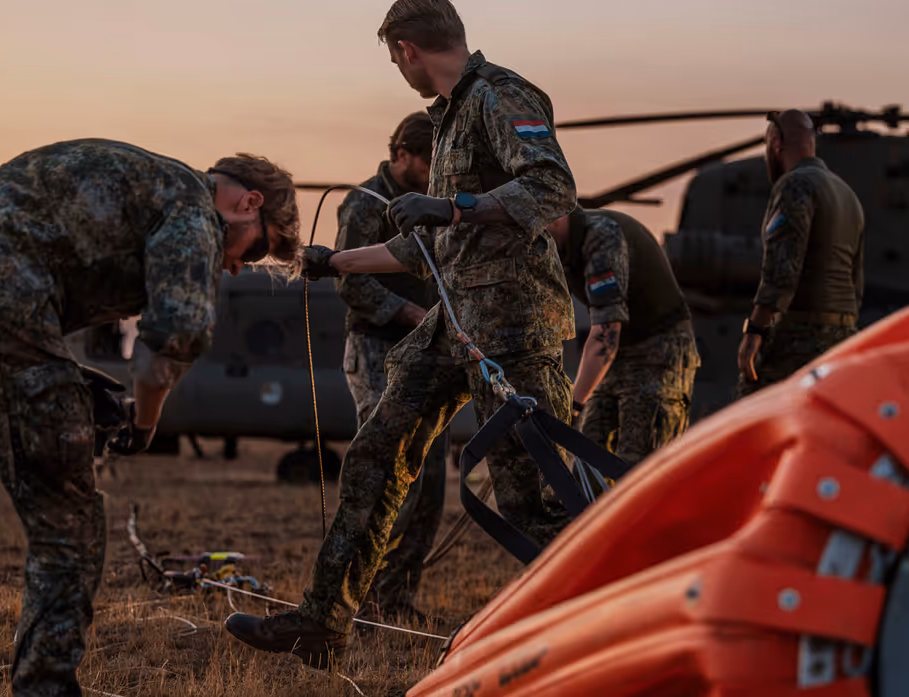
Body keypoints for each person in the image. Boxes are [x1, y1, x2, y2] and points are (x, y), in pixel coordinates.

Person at [224, 0, 576, 669]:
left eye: (393, 58)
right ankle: (323, 621)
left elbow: (553, 188)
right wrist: (334, 261)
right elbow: (429, 248)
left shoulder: (502, 95)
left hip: (510, 326)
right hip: (450, 323)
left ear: (407, 47)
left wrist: (453, 204)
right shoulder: (445, 123)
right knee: (375, 455)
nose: (397, 70)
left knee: (533, 499)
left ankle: (597, 634)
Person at [0, 138, 300, 697]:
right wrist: (144, 425)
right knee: (69, 526)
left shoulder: (146, 177)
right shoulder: (193, 209)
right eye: (255, 253)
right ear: (249, 203)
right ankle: (46, 685)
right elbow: (170, 342)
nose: (235, 268)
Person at [334, 111, 446, 622]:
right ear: (402, 154)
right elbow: (349, 278)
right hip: (377, 348)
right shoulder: (364, 202)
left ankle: (395, 600)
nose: (431, 173)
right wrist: (409, 312)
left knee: (431, 483)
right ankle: (353, 598)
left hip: (429, 353)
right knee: (388, 476)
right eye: (426, 163)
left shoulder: (433, 204)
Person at [545, 206, 699, 467]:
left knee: (640, 468)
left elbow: (606, 334)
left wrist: (573, 406)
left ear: (557, 216)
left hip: (658, 353)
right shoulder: (562, 248)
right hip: (619, 358)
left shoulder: (601, 235)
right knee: (589, 456)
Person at [736, 109, 865, 396]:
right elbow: (856, 279)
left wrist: (754, 332)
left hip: (801, 335)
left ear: (777, 143)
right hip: (843, 334)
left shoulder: (794, 185)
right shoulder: (847, 194)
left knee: (751, 409)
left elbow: (781, 269)